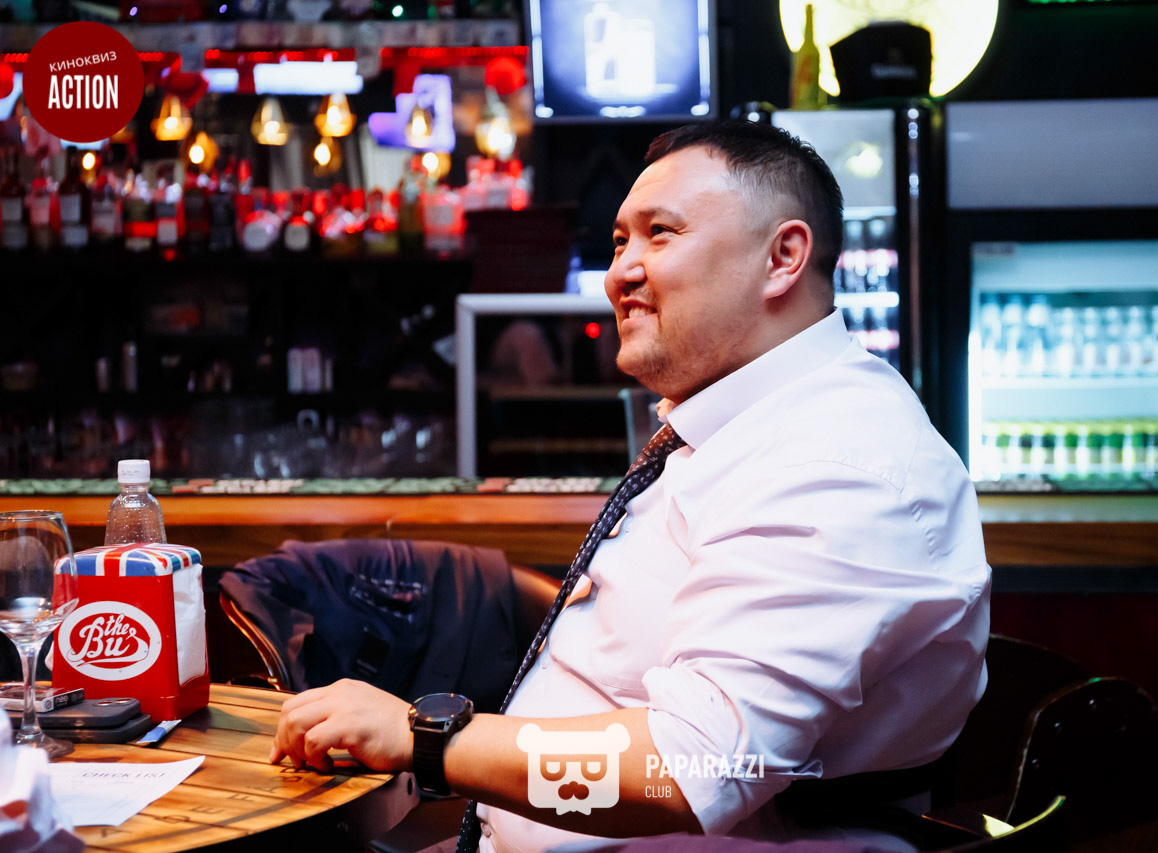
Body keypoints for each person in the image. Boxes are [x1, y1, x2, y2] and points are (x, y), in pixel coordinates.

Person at [271, 120, 991, 852]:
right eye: (620, 242)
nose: (620, 272)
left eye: (660, 234)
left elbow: (686, 769)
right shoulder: (740, 423)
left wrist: (425, 737)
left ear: (782, 258)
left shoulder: (835, 466)